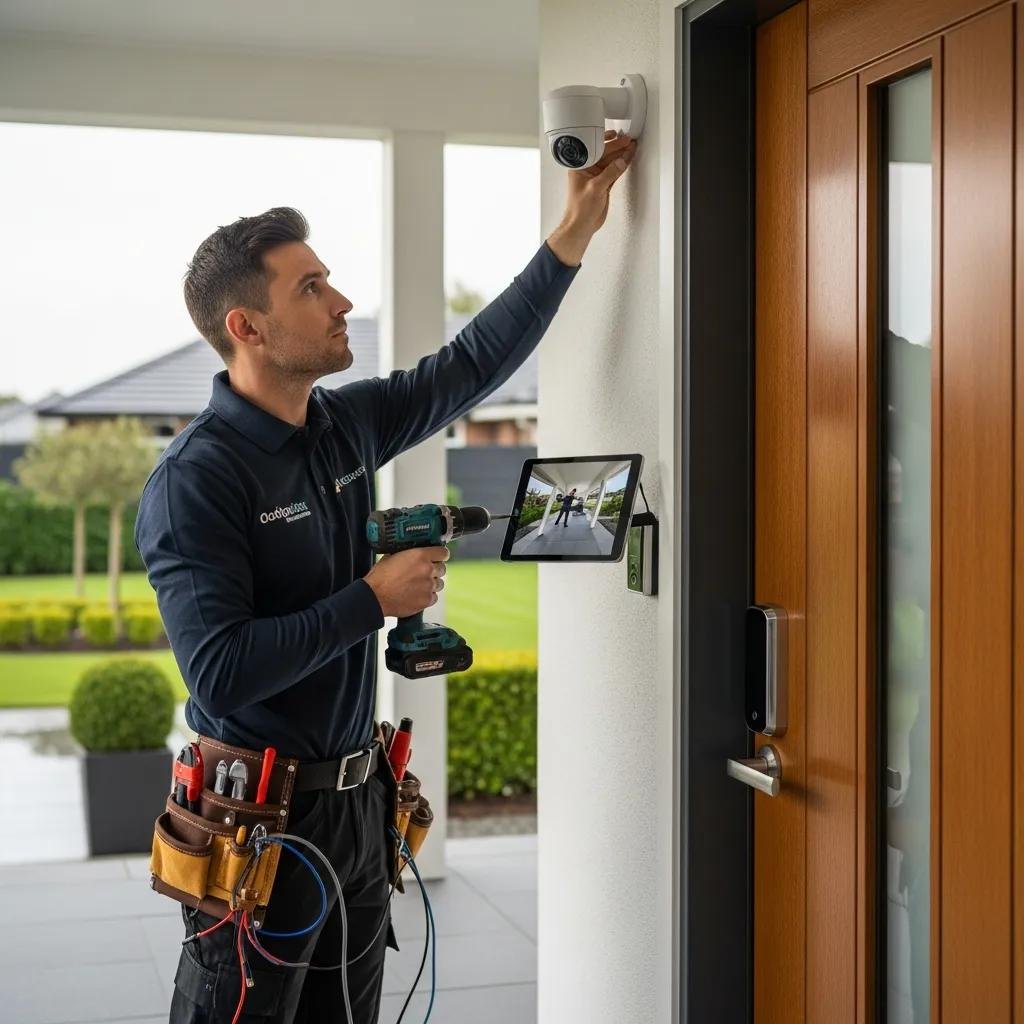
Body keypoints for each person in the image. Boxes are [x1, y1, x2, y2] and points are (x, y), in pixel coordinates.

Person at [134, 128, 637, 1024]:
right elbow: (221, 670)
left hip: (355, 814)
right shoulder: (196, 481)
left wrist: (575, 233)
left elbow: (470, 365)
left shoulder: (341, 428)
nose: (342, 301)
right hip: (256, 833)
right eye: (312, 287)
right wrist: (373, 599)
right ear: (246, 328)